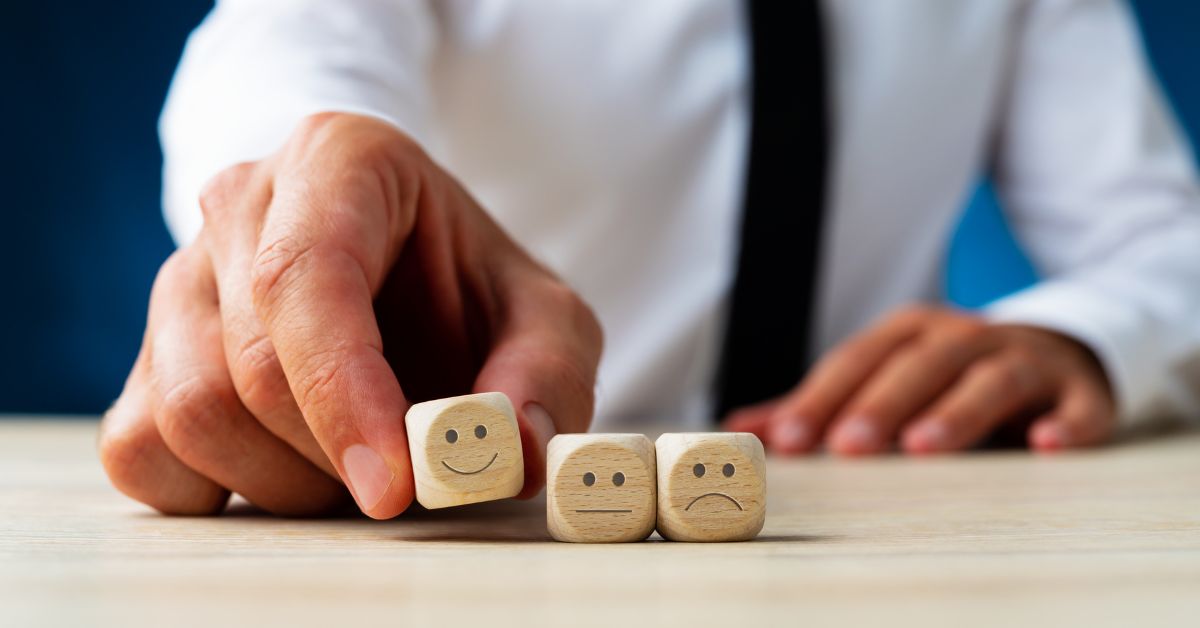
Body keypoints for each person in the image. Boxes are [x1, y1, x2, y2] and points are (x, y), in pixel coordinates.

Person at [99, 1, 1200, 519]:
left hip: (864, 516)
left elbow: (1166, 248)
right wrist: (297, 186)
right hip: (493, 521)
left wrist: (1086, 338)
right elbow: (282, 43)